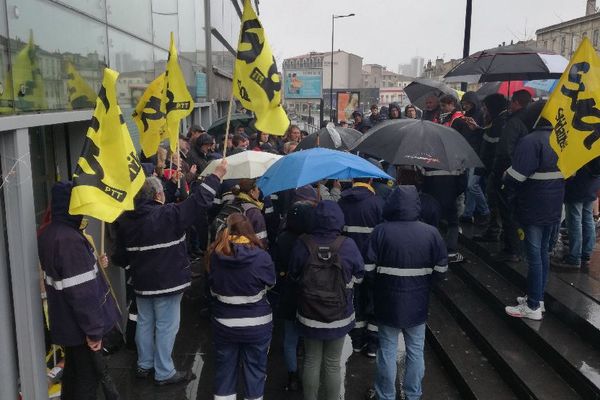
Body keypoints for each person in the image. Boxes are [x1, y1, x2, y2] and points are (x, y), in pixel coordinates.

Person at [112, 160, 227, 385]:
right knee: (166, 326)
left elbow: (121, 256)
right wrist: (217, 176)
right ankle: (164, 371)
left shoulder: (126, 222)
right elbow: (199, 202)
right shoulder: (168, 215)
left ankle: (144, 365)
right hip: (168, 282)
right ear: (157, 195)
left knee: (145, 322)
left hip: (142, 282)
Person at [38, 182, 121, 400]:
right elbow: (82, 292)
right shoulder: (69, 240)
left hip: (69, 326)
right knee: (86, 381)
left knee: (73, 378)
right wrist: (94, 331)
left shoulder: (52, 233)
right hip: (81, 329)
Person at [365, 186, 448, 400]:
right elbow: (441, 270)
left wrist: (380, 284)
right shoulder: (431, 233)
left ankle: (386, 394)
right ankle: (413, 394)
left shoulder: (380, 231)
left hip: (387, 300)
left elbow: (368, 269)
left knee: (387, 349)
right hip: (418, 301)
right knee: (416, 350)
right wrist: (426, 284)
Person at [288, 201, 364, 400]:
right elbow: (360, 275)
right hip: (339, 314)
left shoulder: (303, 243)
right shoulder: (348, 244)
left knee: (311, 360)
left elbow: (293, 275)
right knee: (332, 362)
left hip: (309, 313)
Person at [504, 102, 564, 320]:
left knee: (534, 255)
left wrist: (505, 177)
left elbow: (517, 176)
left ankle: (532, 306)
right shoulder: (561, 140)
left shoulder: (530, 141)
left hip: (533, 205)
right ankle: (538, 298)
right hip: (554, 205)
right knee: (543, 254)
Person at [208, 213, 276, 400]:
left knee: (224, 370)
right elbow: (271, 283)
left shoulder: (216, 255)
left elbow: (212, 287)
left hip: (224, 323)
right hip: (258, 324)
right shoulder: (262, 257)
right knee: (255, 371)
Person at [273, 186, 319, 392]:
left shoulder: (282, 238)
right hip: (309, 295)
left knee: (289, 337)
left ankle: (292, 375)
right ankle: (310, 377)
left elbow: (277, 265)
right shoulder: (313, 241)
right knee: (308, 338)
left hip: (288, 294)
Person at [337, 178, 383, 358]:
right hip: (372, 263)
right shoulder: (378, 203)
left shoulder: (341, 202)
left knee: (354, 300)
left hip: (347, 263)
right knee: (373, 300)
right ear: (370, 180)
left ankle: (356, 341)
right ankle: (372, 344)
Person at [492, 89, 532, 262]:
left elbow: (505, 150)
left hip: (508, 173)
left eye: (511, 102)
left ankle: (512, 249)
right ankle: (517, 247)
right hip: (523, 172)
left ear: (516, 102)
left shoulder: (514, 122)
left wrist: (501, 171)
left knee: (508, 210)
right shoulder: (530, 118)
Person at [473, 93, 509, 243]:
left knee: (495, 203)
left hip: (495, 171)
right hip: (493, 170)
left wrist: (490, 170)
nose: (484, 110)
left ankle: (495, 232)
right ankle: (495, 231)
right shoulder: (497, 121)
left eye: (486, 107)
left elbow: (494, 149)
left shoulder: (500, 123)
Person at [552, 158, 600, 269]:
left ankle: (574, 258)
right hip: (593, 182)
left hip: (578, 183)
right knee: (587, 218)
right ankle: (585, 255)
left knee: (574, 221)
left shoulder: (579, 142)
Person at [459, 91, 489, 225]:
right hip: (467, 153)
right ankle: (468, 213)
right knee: (469, 186)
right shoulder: (467, 115)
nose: (465, 106)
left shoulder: (481, 115)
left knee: (472, 185)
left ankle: (484, 210)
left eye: (467, 103)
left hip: (476, 154)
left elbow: (484, 133)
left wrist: (476, 128)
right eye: (464, 104)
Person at [231, 178, 269, 246]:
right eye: (257, 189)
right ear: (252, 192)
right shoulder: (254, 212)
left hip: (228, 247)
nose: (259, 191)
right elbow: (261, 240)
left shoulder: (230, 203)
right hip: (247, 251)